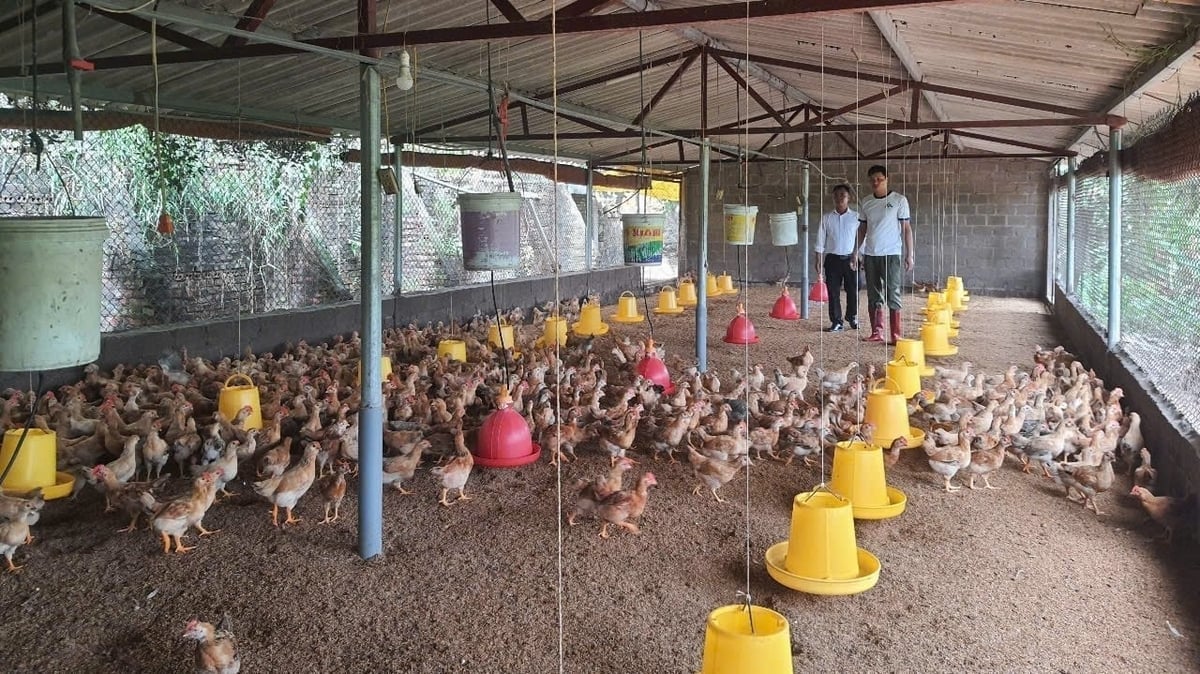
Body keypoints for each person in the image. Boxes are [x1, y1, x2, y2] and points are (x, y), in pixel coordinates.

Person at [852, 165, 913, 344]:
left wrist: (910, 254)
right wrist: (855, 251)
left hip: (891, 253)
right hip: (871, 253)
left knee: (892, 291)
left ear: (887, 179)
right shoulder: (866, 202)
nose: (876, 182)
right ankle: (877, 332)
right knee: (873, 294)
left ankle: (895, 334)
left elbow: (906, 229)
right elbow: (862, 229)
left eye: (879, 179)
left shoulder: (899, 200)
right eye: (872, 180)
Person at [813, 184, 860, 332]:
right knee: (833, 292)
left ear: (848, 198)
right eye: (836, 196)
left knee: (854, 289)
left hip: (851, 259)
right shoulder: (827, 218)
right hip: (832, 260)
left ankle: (852, 316)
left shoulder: (856, 217)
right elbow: (820, 240)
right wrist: (818, 259)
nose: (839, 198)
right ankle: (836, 321)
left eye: (842, 195)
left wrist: (859, 255)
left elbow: (861, 238)